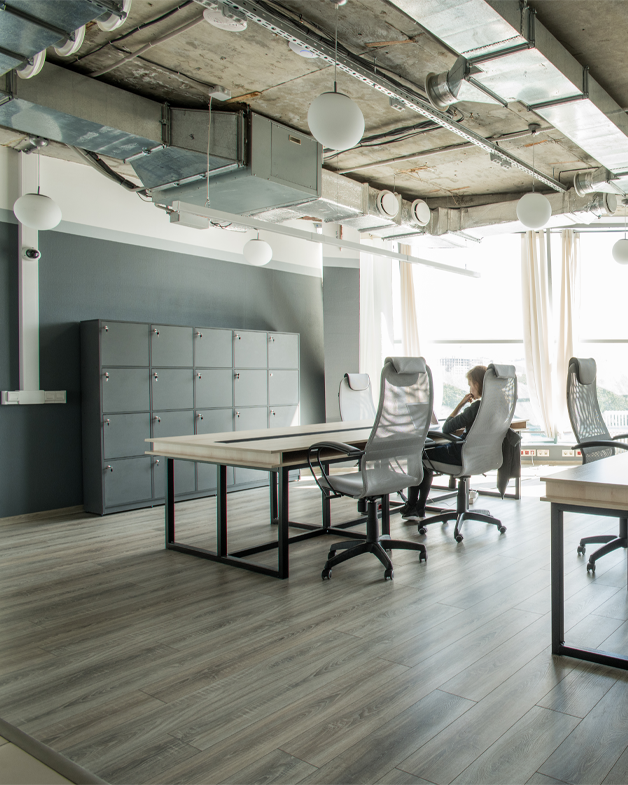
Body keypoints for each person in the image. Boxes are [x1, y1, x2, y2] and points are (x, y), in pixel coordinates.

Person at [400, 365, 487, 520]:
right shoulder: (494, 408)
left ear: (477, 384)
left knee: (420, 454)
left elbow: (447, 428)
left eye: (470, 384)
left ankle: (414, 506)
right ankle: (416, 507)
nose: (469, 388)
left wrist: (460, 405)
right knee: (426, 451)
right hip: (480, 456)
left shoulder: (475, 408)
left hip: (460, 455)